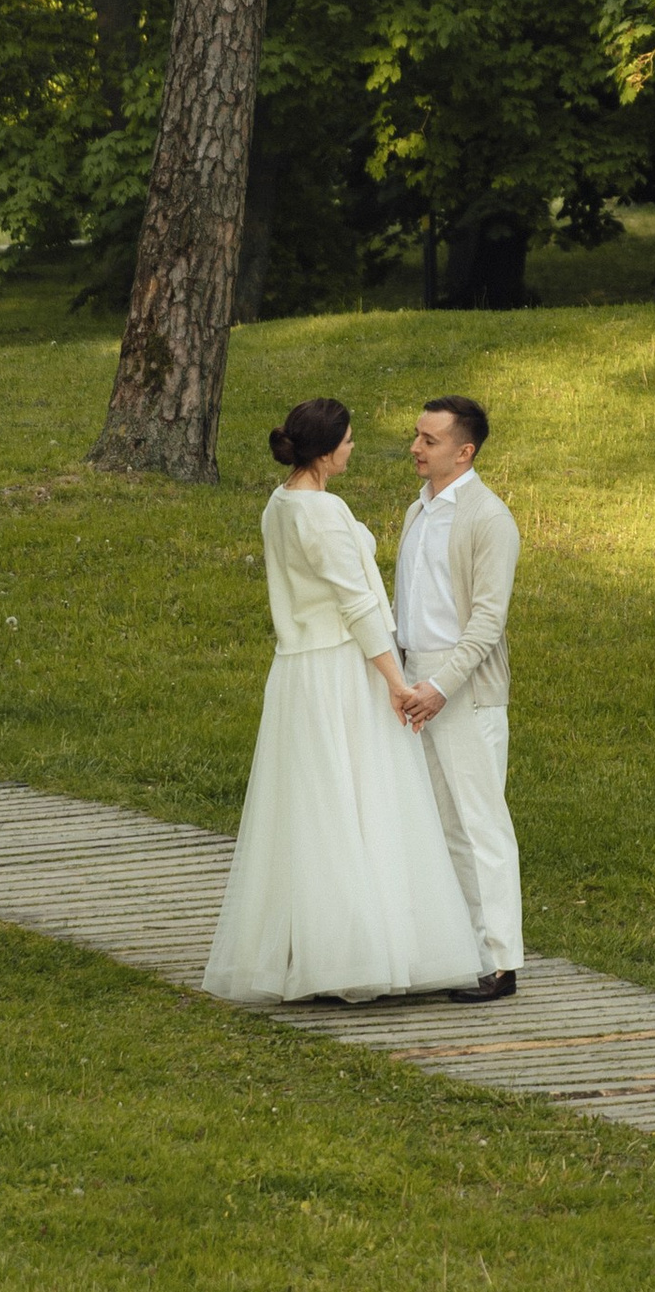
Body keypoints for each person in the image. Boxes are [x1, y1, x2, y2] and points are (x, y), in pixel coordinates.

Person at [201, 395, 483, 1007]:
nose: (355, 448)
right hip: (337, 670)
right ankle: (356, 952)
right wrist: (394, 680)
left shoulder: (280, 504)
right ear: (327, 452)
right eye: (350, 440)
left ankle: (316, 946)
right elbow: (356, 604)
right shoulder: (321, 513)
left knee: (312, 805)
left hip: (298, 669)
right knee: (358, 799)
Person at [395, 392, 524, 1004]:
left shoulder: (488, 518)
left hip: (463, 691)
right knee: (436, 825)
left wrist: (440, 687)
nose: (416, 448)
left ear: (463, 451)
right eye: (417, 436)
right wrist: (401, 681)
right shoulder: (417, 510)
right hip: (413, 686)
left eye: (430, 440)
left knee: (478, 826)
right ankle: (454, 949)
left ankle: (499, 963)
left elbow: (487, 621)